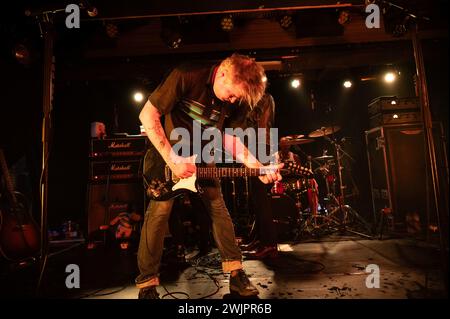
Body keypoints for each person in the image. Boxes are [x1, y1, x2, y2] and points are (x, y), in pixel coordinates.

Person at [136, 53, 282, 299]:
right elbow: (147, 116)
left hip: (203, 156)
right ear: (223, 72)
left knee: (218, 209)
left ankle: (236, 275)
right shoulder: (187, 74)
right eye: (232, 93)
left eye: (237, 97)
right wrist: (173, 160)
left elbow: (230, 138)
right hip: (166, 157)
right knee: (158, 215)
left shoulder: (237, 98)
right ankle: (147, 285)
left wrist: (257, 167)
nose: (234, 99)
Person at [240, 93, 278, 259]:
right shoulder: (265, 97)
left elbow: (256, 121)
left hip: (260, 146)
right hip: (259, 145)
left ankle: (268, 244)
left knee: (260, 197)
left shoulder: (262, 97)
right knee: (256, 198)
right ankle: (258, 239)